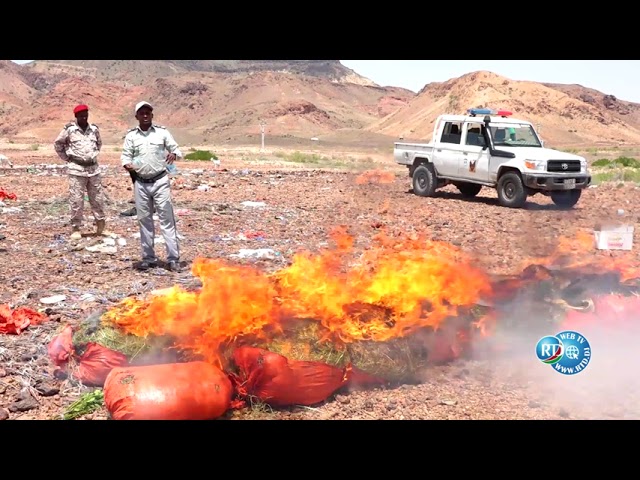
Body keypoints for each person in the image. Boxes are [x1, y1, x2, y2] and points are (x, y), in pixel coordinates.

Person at [121, 101, 183, 272]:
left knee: (167, 219)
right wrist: (128, 166)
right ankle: (148, 258)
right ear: (137, 117)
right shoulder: (131, 136)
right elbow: (125, 157)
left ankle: (173, 259)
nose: (145, 115)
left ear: (152, 115)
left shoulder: (162, 133)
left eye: (148, 112)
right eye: (142, 113)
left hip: (160, 181)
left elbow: (177, 149)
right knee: (144, 221)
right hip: (140, 182)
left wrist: (173, 154)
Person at [53, 104, 107, 239]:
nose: (84, 117)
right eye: (81, 115)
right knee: (76, 200)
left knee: (98, 199)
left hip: (93, 169)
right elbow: (58, 144)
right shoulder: (69, 130)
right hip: (76, 170)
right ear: (76, 116)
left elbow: (99, 144)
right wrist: (67, 158)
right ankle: (76, 228)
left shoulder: (94, 130)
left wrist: (92, 155)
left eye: (86, 115)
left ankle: (101, 227)